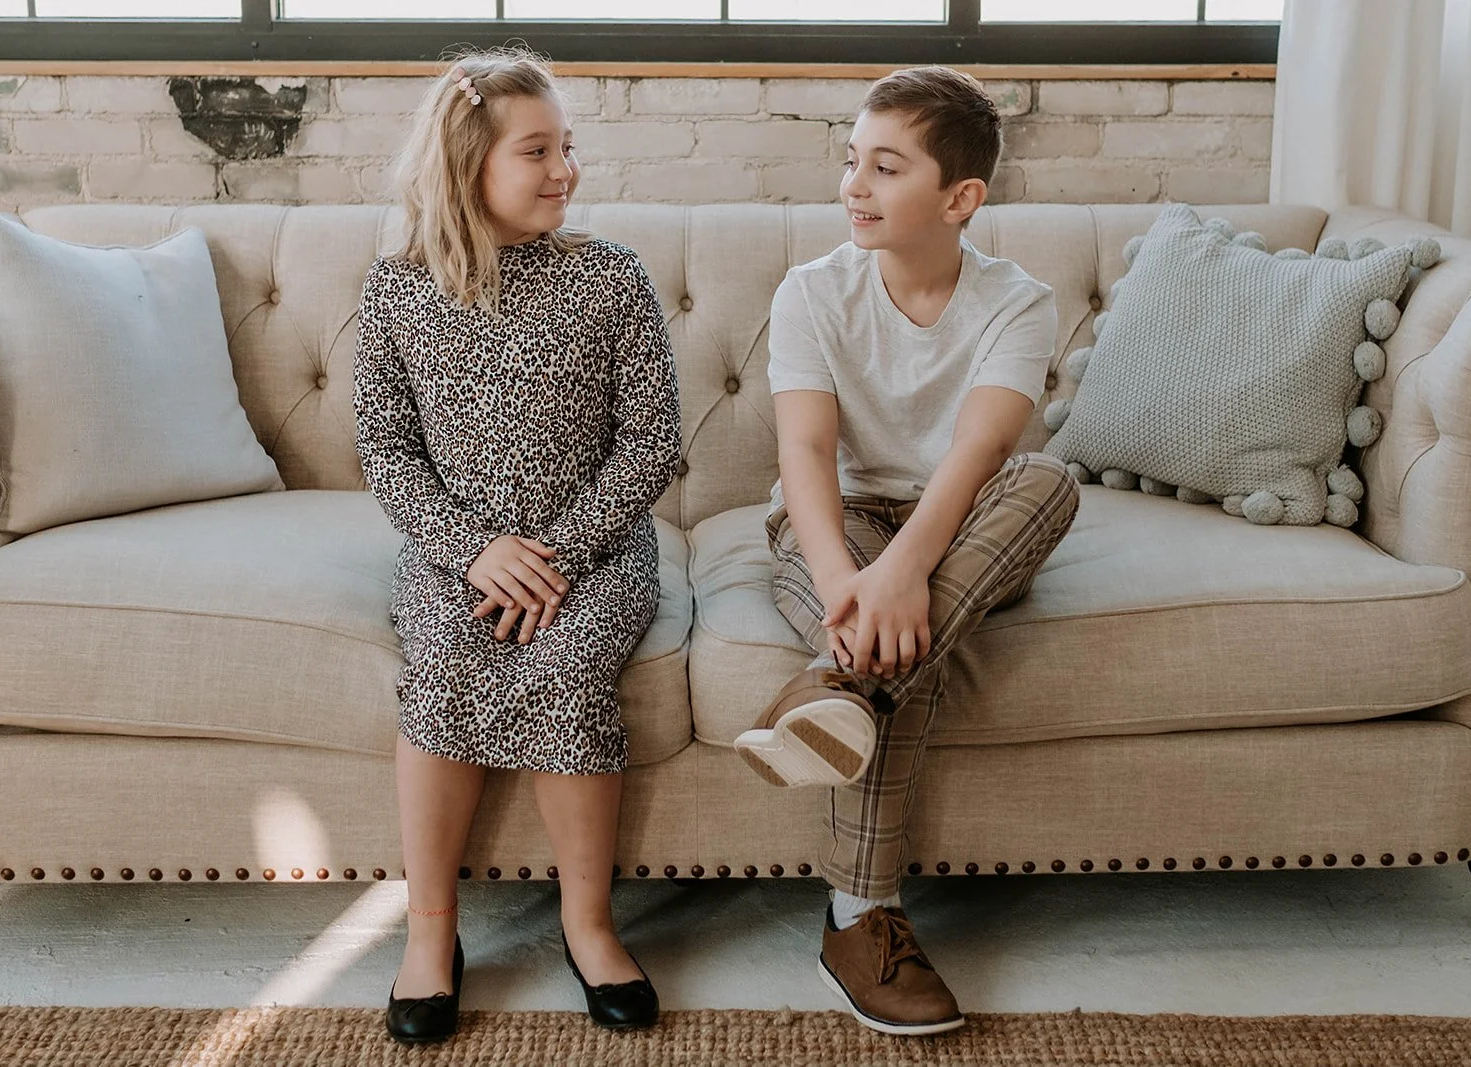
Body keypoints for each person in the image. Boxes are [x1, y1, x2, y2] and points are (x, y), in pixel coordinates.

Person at [732, 66, 1081, 1036]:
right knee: (897, 642)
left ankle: (828, 688)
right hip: (834, 528)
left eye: (885, 168)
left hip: (952, 526)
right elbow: (802, 452)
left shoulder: (1019, 302)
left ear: (960, 198)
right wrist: (854, 580)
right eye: (851, 161)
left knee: (1051, 481)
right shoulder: (812, 292)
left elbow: (980, 456)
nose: (853, 185)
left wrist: (904, 573)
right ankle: (860, 916)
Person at [353, 47, 682, 1045]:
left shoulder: (610, 278)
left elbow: (653, 442)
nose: (563, 170)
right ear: (467, 164)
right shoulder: (396, 290)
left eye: (567, 148)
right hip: (455, 555)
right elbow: (384, 448)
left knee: (570, 660)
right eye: (536, 151)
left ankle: (588, 926)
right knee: (447, 656)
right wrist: (473, 548)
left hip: (597, 548)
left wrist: (560, 551)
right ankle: (430, 931)